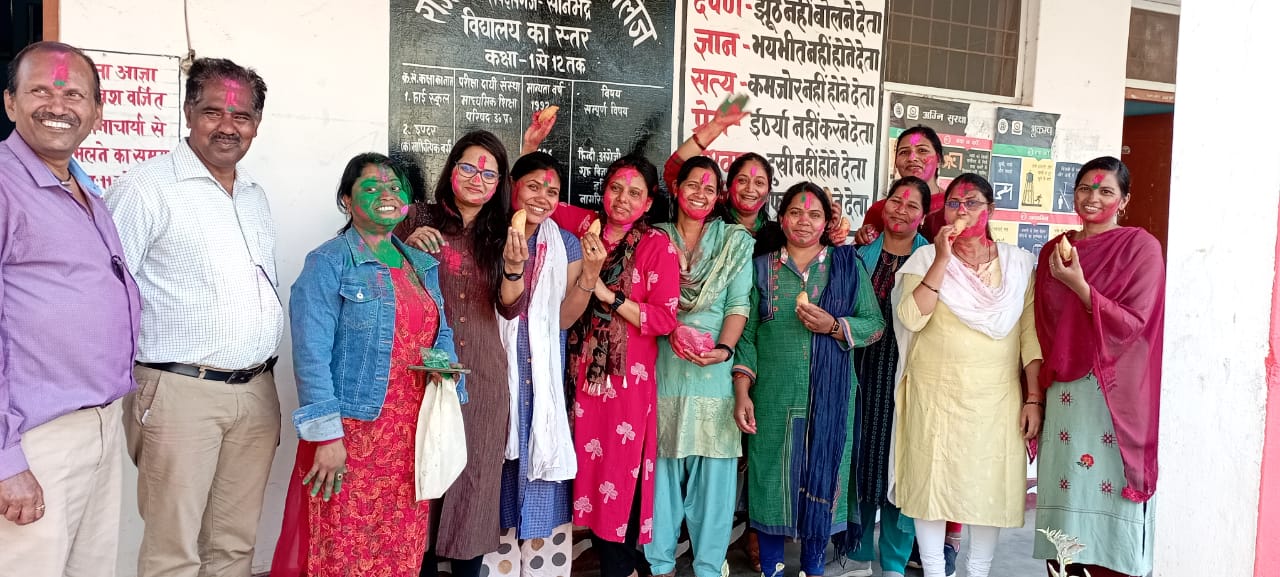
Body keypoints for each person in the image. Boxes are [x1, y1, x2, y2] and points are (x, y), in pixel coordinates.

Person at [105, 57, 282, 577]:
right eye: (212, 112)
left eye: (241, 116)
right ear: (187, 113)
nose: (228, 126)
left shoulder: (253, 194)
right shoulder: (146, 188)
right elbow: (106, 292)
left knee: (234, 546)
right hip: (179, 392)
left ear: (256, 123)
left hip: (256, 392)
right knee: (173, 551)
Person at [272, 153, 459, 576]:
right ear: (346, 200)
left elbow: (441, 332)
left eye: (395, 188)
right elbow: (311, 356)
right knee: (343, 549)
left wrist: (445, 370)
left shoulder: (419, 265)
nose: (386, 195)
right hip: (353, 437)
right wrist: (326, 436)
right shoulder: (328, 262)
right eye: (371, 188)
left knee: (400, 547)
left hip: (411, 437)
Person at [0, 41, 141, 577]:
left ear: (97, 111)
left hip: (98, 425)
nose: (57, 105)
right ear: (10, 102)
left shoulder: (81, 186)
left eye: (73, 94)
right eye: (40, 90)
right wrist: (5, 460)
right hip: (34, 439)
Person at [889, 173, 1043, 577]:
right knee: (931, 484)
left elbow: (1030, 337)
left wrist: (1033, 398)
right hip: (934, 397)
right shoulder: (925, 260)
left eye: (972, 203)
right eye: (954, 204)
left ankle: (978, 571)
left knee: (988, 486)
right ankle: (934, 571)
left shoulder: (1018, 264)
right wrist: (942, 260)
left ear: (990, 210)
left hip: (996, 400)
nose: (962, 211)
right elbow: (911, 317)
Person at [731, 183, 885, 577]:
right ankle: (773, 569)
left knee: (824, 481)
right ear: (782, 219)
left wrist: (834, 325)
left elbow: (875, 325)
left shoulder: (846, 266)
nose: (804, 221)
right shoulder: (760, 268)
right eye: (796, 213)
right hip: (773, 399)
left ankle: (813, 569)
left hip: (830, 403)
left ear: (826, 222)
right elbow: (746, 336)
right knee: (770, 485)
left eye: (815, 214)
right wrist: (742, 391)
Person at [397, 130, 529, 577]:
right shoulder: (416, 219)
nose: (477, 178)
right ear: (451, 168)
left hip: (482, 379)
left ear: (500, 183)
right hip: (422, 374)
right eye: (469, 167)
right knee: (420, 482)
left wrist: (514, 268)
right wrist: (403, 247)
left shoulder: (504, 234)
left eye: (489, 174)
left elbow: (509, 307)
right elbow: (381, 273)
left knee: (473, 487)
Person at [1032, 157, 1163, 577]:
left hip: (1116, 391)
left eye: (1106, 191)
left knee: (1111, 484)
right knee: (1065, 485)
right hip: (1065, 390)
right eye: (1085, 188)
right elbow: (1042, 325)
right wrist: (1034, 395)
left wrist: (1080, 286)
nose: (1093, 198)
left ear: (1124, 201)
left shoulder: (1140, 247)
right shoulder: (1055, 251)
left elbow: (1136, 323)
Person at [481, 151, 605, 577]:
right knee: (495, 485)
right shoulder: (488, 235)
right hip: (496, 376)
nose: (542, 198)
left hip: (542, 382)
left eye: (552, 191)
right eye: (533, 186)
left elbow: (565, 319)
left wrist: (590, 274)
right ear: (512, 186)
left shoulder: (565, 244)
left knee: (541, 482)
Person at [566, 154, 680, 577]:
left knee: (619, 474)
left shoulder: (656, 246)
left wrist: (607, 295)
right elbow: (535, 199)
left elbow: (664, 319)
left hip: (626, 385)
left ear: (648, 203)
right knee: (583, 470)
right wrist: (529, 148)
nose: (622, 199)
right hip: (578, 377)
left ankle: (622, 567)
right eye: (616, 188)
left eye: (635, 193)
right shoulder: (586, 228)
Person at [644, 156, 754, 577]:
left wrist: (724, 350)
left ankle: (708, 567)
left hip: (715, 374)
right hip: (663, 368)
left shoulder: (734, 242)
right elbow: (644, 301)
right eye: (693, 185)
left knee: (715, 489)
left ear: (719, 196)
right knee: (661, 480)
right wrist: (669, 328)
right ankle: (660, 566)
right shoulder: (654, 239)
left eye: (710, 189)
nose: (700, 194)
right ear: (676, 189)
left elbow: (738, 304)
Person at [840, 177, 932, 577]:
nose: (901, 211)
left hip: (911, 379)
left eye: (912, 206)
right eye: (896, 201)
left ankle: (894, 560)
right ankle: (857, 554)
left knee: (903, 466)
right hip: (861, 376)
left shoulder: (932, 261)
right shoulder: (858, 257)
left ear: (923, 216)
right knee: (859, 460)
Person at [854, 125, 948, 246]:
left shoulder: (954, 207)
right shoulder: (879, 210)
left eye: (922, 150)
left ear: (939, 159)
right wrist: (863, 238)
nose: (912, 158)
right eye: (904, 152)